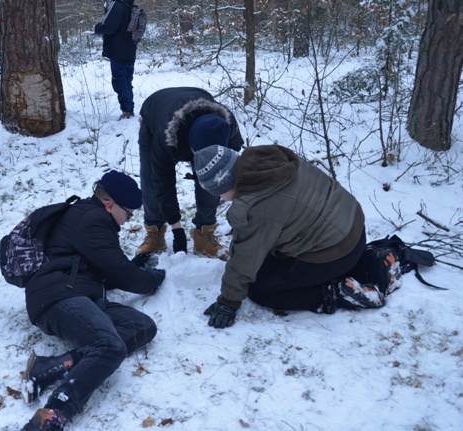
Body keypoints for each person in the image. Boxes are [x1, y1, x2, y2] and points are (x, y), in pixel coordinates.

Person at [192, 144, 403, 329]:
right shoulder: (271, 161)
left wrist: (228, 302)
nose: (220, 198)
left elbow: (245, 258)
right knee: (271, 262)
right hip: (353, 226)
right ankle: (367, 261)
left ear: (224, 183)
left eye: (218, 193)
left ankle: (335, 294)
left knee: (261, 289)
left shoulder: (255, 207)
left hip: (334, 250)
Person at [20, 170, 166, 431]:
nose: (127, 220)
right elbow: (121, 273)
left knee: (142, 327)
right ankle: (53, 414)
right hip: (58, 297)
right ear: (110, 205)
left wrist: (135, 267)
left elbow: (105, 270)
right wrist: (152, 279)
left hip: (77, 292)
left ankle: (52, 367)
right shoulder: (92, 220)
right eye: (129, 213)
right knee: (109, 346)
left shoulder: (90, 217)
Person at [137, 87, 244, 259]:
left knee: (216, 176)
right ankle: (154, 231)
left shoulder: (228, 126)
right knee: (150, 181)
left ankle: (204, 233)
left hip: (194, 105)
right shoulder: (167, 135)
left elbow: (232, 167)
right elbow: (163, 180)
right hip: (155, 115)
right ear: (190, 146)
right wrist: (176, 227)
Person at [94, 0, 137, 119]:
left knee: (120, 82)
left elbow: (108, 27)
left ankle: (127, 111)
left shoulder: (117, 5)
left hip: (118, 51)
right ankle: (129, 110)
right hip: (130, 50)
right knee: (127, 81)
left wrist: (97, 28)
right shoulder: (130, 5)